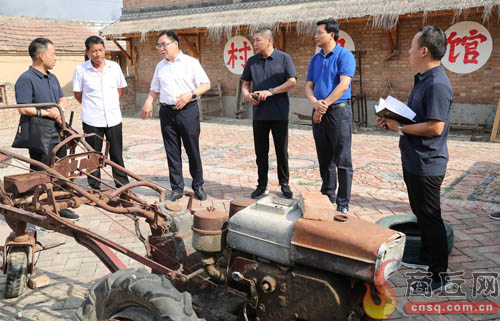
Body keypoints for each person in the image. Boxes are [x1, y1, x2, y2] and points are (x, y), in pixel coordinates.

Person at [377, 26, 453, 293]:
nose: (408, 51)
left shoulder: (438, 84)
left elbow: (435, 127)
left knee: (431, 217)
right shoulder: (422, 79)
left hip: (428, 163)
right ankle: (425, 256)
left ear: (424, 50)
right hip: (413, 158)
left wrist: (401, 128)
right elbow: (418, 117)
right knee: (421, 213)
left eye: (411, 46)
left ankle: (439, 275)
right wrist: (395, 119)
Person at [140, 30, 210, 201]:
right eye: (159, 46)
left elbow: (206, 84)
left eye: (164, 45)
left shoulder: (191, 63)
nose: (161, 49)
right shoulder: (160, 66)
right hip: (166, 112)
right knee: (172, 151)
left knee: (192, 149)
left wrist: (190, 95)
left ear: (175, 44)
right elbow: (155, 89)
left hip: (187, 111)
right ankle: (177, 188)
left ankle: (198, 185)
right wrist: (149, 101)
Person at [15, 38, 79, 221]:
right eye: (53, 54)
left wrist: (60, 110)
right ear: (41, 56)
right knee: (40, 172)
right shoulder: (26, 79)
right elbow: (23, 108)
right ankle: (38, 208)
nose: (55, 58)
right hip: (39, 135)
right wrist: (47, 113)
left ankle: (60, 206)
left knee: (60, 169)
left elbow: (63, 99)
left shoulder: (52, 77)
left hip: (58, 132)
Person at [305, 19, 356, 214]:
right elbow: (308, 86)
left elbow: (343, 85)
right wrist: (314, 104)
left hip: (338, 112)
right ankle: (328, 195)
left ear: (331, 35)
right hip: (319, 111)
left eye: (319, 33)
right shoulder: (315, 59)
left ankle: (343, 203)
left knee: (342, 158)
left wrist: (323, 105)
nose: (316, 36)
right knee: (324, 157)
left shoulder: (345, 56)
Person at [241, 28, 297, 199]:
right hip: (259, 114)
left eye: (257, 40)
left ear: (269, 41)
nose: (254, 43)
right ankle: (261, 184)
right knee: (261, 152)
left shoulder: (284, 59)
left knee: (282, 151)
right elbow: (245, 84)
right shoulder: (252, 61)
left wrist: (271, 91)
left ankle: (284, 184)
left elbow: (292, 82)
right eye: (254, 40)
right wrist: (247, 96)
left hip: (279, 113)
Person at [73, 36, 129, 190]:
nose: (98, 54)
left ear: (105, 50)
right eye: (94, 51)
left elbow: (121, 88)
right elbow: (78, 94)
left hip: (113, 118)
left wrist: (111, 102)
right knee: (93, 155)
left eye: (100, 50)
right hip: (92, 120)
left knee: (117, 154)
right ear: (87, 52)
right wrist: (91, 106)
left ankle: (122, 185)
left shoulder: (114, 67)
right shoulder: (81, 70)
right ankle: (94, 186)